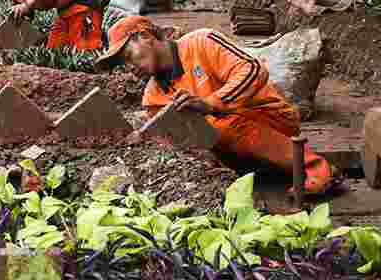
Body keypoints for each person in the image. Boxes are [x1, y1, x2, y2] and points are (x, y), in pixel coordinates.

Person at [95, 16, 335, 195]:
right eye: (122, 64)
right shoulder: (153, 96)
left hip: (269, 117)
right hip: (226, 146)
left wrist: (210, 103)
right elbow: (180, 142)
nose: (129, 67)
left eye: (128, 57)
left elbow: (253, 70)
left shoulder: (201, 42)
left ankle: (317, 169)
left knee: (223, 124)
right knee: (200, 138)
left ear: (145, 37)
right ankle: (250, 173)